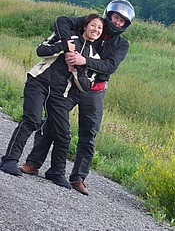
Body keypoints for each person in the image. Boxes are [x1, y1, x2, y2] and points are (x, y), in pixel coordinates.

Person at [19, 0, 135, 195]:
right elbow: (62, 21)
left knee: (88, 134)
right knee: (53, 123)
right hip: (71, 85)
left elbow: (110, 66)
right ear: (109, 14)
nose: (117, 23)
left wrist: (84, 60)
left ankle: (78, 178)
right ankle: (33, 163)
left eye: (122, 21)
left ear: (126, 24)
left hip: (95, 90)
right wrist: (67, 44)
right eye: (115, 17)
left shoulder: (121, 44)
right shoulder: (92, 23)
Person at [0, 14, 104, 189]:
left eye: (100, 28)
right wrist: (63, 46)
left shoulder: (94, 57)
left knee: (63, 134)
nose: (96, 30)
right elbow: (40, 50)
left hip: (60, 94)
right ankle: (9, 160)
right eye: (93, 25)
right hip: (39, 82)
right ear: (85, 26)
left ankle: (56, 172)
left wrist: (77, 67)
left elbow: (86, 85)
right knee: (31, 120)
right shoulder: (67, 36)